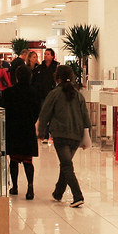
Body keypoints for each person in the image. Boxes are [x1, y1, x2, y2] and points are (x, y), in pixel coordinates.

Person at [37, 64, 91, 208]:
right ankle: (58, 193)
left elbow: (45, 114)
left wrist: (41, 132)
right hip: (76, 135)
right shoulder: (78, 95)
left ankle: (77, 195)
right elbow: (86, 116)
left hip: (60, 134)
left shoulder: (54, 93)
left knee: (66, 165)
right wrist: (87, 136)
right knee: (65, 164)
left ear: (57, 77)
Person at [1, 66, 42, 199]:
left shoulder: (9, 92)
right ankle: (30, 187)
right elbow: (37, 111)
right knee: (27, 159)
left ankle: (15, 186)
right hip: (27, 128)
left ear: (17, 77)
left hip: (13, 128)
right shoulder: (34, 92)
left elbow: (2, 109)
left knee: (13, 159)